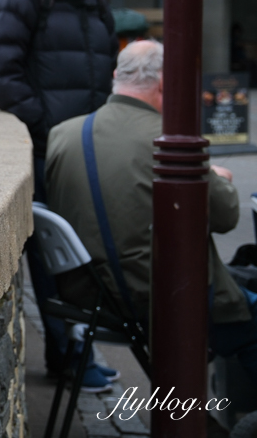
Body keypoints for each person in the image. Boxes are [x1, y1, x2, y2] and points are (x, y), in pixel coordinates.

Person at [47, 40, 257, 385]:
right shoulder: (170, 141)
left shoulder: (63, 134)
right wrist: (218, 179)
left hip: (88, 296)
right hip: (162, 298)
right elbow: (226, 217)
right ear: (165, 85)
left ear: (116, 76)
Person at [0, 0, 118, 381]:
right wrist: (47, 131)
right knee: (52, 255)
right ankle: (65, 358)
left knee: (86, 248)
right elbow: (1, 75)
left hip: (87, 150)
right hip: (47, 151)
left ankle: (82, 350)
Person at [0, 0, 118, 203]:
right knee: (49, 234)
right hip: (46, 148)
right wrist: (44, 128)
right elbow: (1, 72)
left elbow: (111, 61)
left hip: (91, 145)